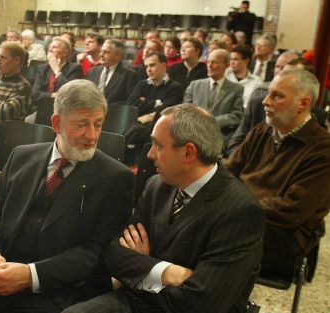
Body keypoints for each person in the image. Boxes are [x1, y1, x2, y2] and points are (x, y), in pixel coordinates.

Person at [0, 79, 134, 313]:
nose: (92, 135)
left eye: (98, 125)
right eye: (82, 125)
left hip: (57, 293)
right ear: (57, 123)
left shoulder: (116, 178)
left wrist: (29, 275)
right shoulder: (21, 157)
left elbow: (97, 252)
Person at [63, 104, 264, 313]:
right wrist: (166, 272)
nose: (150, 154)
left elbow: (201, 304)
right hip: (140, 299)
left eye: (158, 146)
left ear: (188, 153)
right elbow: (114, 253)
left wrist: (141, 267)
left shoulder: (240, 210)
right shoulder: (157, 185)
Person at [224, 68, 330, 273]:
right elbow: (228, 171)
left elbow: (291, 211)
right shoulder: (262, 131)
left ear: (303, 103)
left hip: (285, 236)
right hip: (242, 216)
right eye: (268, 93)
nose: (266, 101)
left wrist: (233, 207)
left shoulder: (323, 149)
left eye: (277, 96)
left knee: (209, 235)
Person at [227, 50, 298, 154]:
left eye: (285, 68)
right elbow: (237, 140)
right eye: (277, 67)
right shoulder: (259, 94)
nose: (279, 71)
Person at [183, 49, 244, 144]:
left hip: (220, 138)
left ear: (226, 65)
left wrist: (212, 122)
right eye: (208, 62)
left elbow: (236, 115)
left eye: (214, 62)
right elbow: (185, 110)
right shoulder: (195, 85)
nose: (209, 66)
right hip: (193, 136)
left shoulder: (236, 89)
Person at [31, 36, 83, 104]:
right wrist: (54, 95)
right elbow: (35, 95)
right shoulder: (42, 68)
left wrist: (57, 71)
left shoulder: (75, 68)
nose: (50, 49)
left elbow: (70, 93)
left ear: (65, 53)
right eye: (50, 47)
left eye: (54, 47)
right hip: (43, 108)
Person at [86, 39, 136, 106]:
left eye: (106, 52)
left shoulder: (129, 75)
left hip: (114, 113)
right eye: (101, 51)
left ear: (117, 55)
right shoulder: (91, 72)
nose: (101, 55)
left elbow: (130, 101)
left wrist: (106, 105)